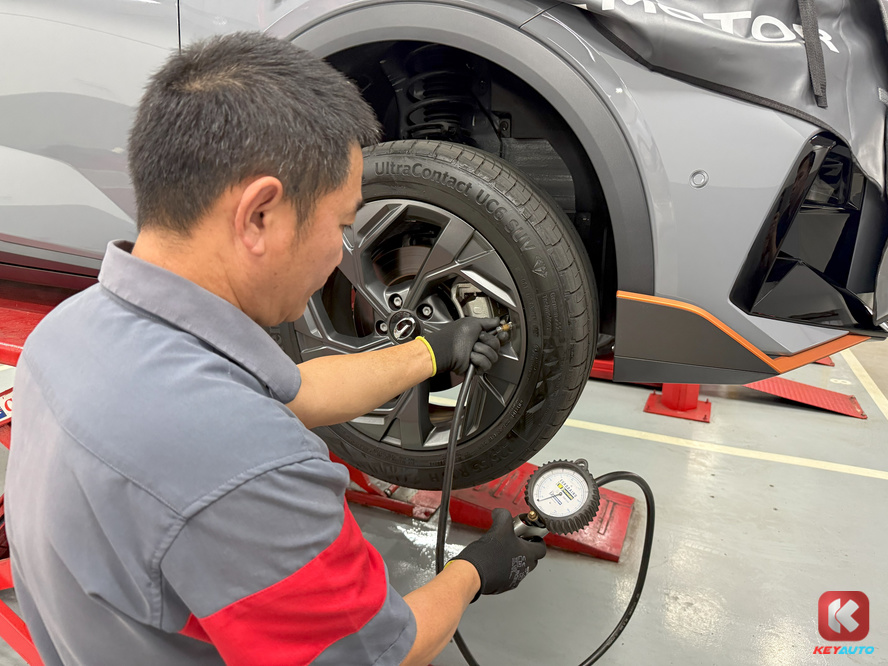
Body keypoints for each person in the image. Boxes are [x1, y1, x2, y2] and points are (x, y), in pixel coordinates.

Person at [4, 32, 546, 666]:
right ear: (260, 215)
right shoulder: (246, 468)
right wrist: (474, 573)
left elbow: (297, 392)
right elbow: (385, 654)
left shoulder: (66, 334)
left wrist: (430, 352)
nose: (341, 254)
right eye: (341, 225)